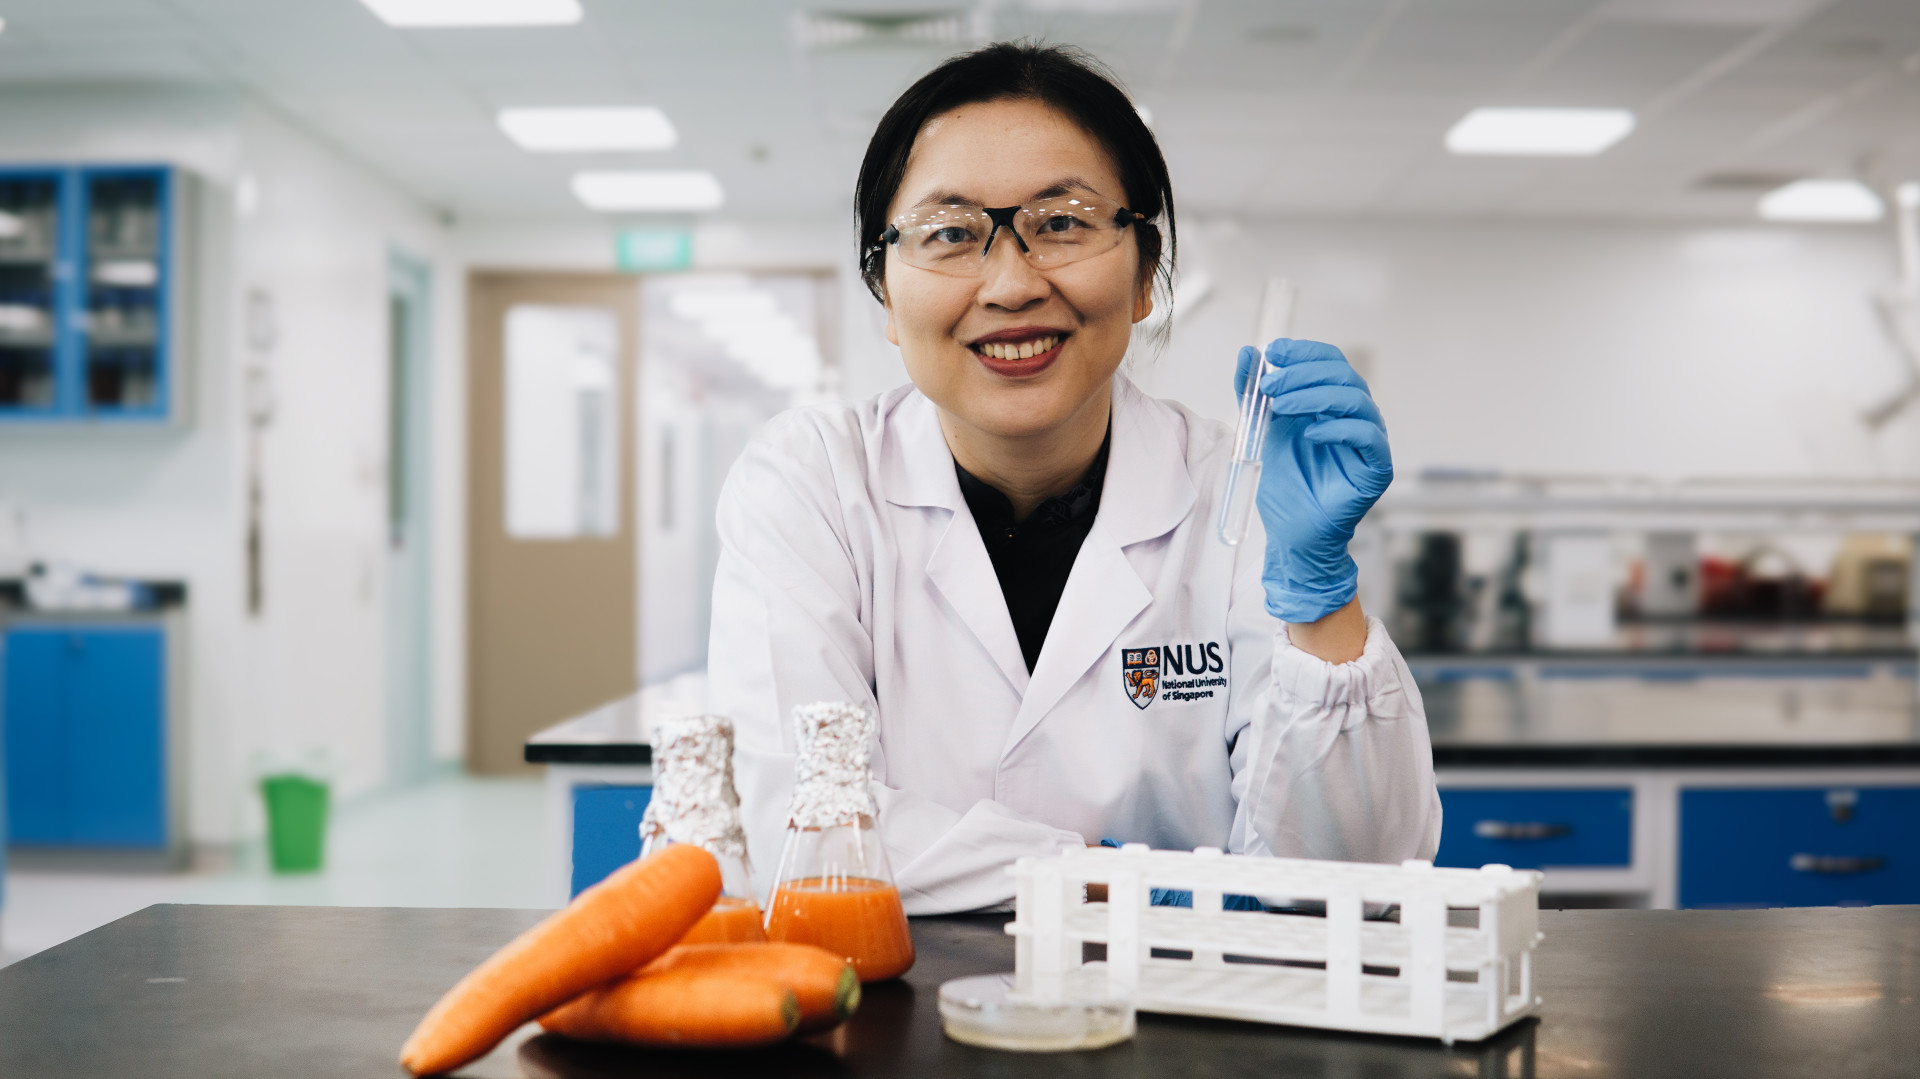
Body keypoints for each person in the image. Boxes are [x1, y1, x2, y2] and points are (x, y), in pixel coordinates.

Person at [709, 42, 1440, 914]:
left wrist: (1321, 602)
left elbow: (1353, 884)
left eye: (1062, 222)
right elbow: (799, 824)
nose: (1012, 284)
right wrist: (1114, 876)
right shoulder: (813, 483)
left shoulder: (1239, 494)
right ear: (885, 293)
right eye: (951, 234)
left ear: (1143, 275)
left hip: (1184, 998)